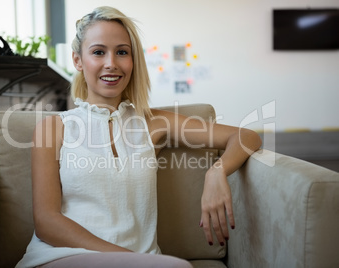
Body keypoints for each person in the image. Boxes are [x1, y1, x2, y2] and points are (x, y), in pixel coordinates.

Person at [15, 6, 262, 268]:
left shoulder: (154, 122)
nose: (111, 63)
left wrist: (217, 172)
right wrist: (130, 260)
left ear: (133, 61)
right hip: (61, 257)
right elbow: (46, 222)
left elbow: (246, 137)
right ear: (78, 60)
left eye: (122, 52)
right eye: (98, 52)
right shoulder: (53, 128)